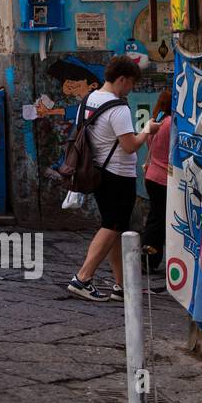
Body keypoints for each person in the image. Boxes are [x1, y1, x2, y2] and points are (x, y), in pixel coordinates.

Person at [67, 56, 160, 303]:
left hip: (98, 171)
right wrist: (147, 130)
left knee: (117, 228)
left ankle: (123, 285)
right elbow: (129, 146)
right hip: (118, 174)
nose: (131, 88)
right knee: (111, 226)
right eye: (131, 83)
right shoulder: (118, 108)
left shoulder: (89, 99)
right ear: (121, 79)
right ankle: (82, 278)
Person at [142, 89, 173, 272]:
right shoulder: (170, 124)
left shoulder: (154, 122)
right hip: (163, 179)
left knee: (155, 218)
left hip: (151, 175)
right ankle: (150, 259)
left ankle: (148, 256)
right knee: (159, 221)